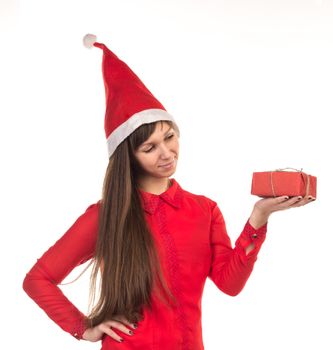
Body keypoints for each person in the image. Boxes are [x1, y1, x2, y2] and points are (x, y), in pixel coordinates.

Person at [22, 34, 315, 349]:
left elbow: (230, 285)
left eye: (170, 136)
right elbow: (37, 280)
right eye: (150, 147)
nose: (167, 153)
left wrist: (259, 217)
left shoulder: (205, 210)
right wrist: (84, 327)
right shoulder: (105, 217)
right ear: (129, 157)